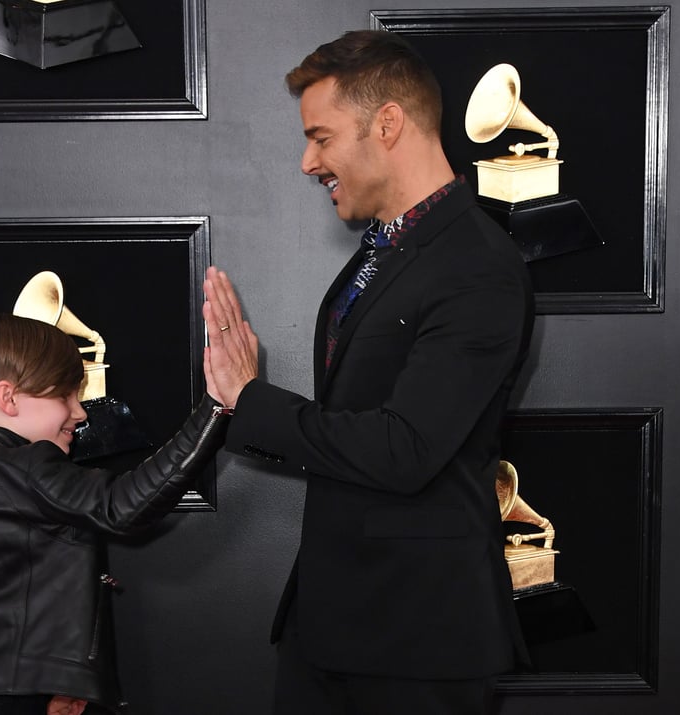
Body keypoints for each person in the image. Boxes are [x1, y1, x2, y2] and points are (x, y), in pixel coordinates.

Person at [203, 29, 534, 715]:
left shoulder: (476, 264)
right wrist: (240, 404)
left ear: (387, 123)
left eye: (321, 137)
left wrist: (255, 401)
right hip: (335, 627)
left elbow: (405, 448)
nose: (306, 161)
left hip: (414, 640)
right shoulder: (386, 250)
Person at [0, 312, 256, 715]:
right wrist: (217, 408)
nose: (81, 413)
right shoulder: (25, 466)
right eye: (66, 396)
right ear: (8, 398)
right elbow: (122, 506)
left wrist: (59, 686)